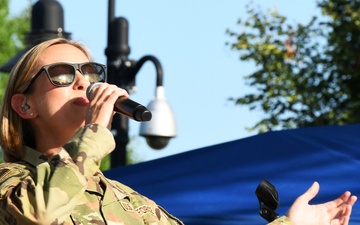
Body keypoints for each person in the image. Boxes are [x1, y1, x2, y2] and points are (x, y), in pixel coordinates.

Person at [0, 37, 356, 225]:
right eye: (62, 74)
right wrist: (94, 131)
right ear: (24, 105)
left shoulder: (131, 204)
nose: (82, 81)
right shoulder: (10, 183)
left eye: (91, 72)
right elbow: (39, 213)